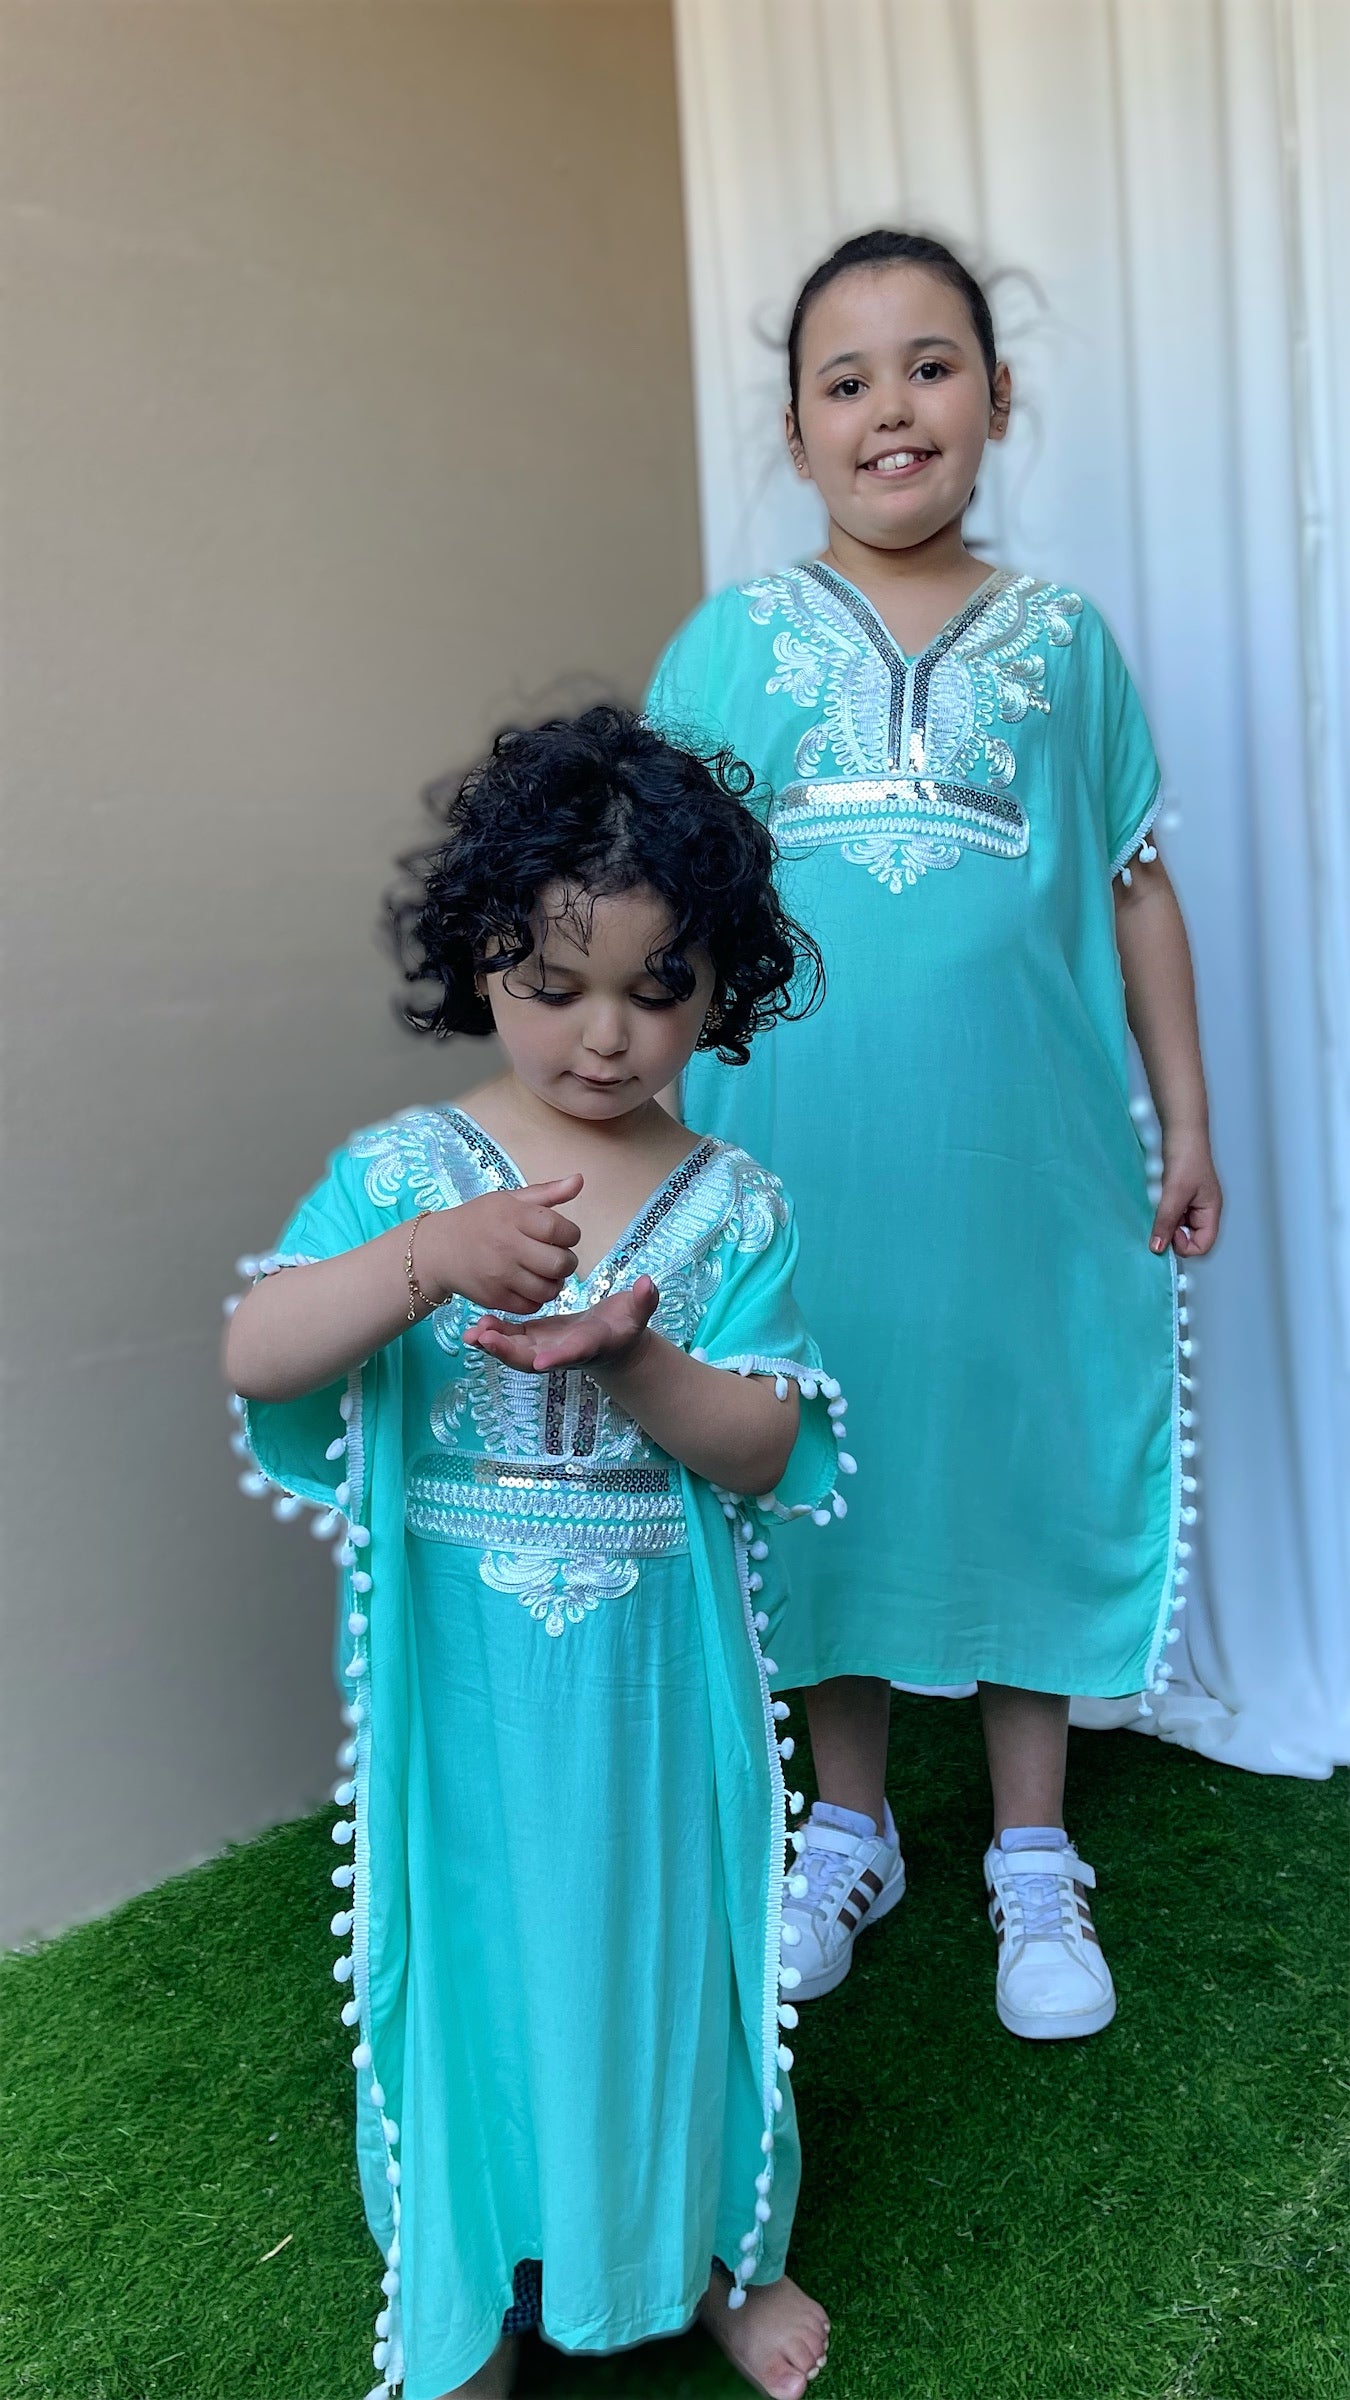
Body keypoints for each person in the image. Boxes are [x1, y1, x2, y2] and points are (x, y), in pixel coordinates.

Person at [223, 707, 841, 2400]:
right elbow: (262, 1355)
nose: (606, 1034)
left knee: (667, 1958)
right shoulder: (406, 1176)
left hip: (657, 1691)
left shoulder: (732, 1203)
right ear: (478, 957)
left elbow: (767, 1446)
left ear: (723, 986)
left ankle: (701, 2252)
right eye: (555, 984)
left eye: (660, 987)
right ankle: (478, 2285)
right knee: (482, 1966)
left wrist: (636, 1361)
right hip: (469, 1700)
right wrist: (424, 1261)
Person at [646, 230, 1222, 2043]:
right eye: (845, 379)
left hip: (1023, 1166)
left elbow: (1133, 889)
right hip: (792, 1167)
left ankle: (1032, 1854)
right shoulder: (728, 646)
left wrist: (1184, 1121)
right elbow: (655, 912)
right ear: (795, 430)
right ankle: (850, 1828)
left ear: (994, 396)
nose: (889, 407)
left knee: (1015, 1445)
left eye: (928, 364)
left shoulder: (1063, 645)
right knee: (821, 1454)